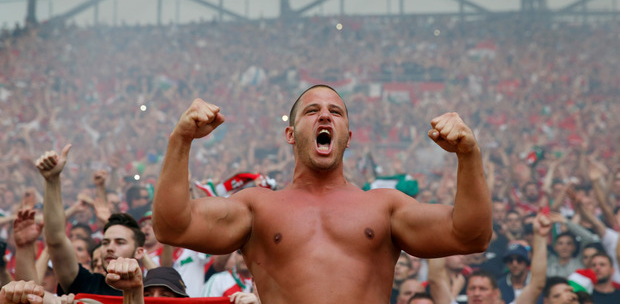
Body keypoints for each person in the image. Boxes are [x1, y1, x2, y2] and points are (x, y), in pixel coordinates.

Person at [153, 85, 493, 303]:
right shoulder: (256, 207)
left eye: (336, 112)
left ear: (348, 135)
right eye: (312, 111)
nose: (325, 115)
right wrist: (180, 139)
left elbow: (471, 236)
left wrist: (469, 154)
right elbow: (173, 228)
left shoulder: (385, 207)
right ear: (290, 133)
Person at [36, 143, 146, 296]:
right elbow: (55, 240)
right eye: (105, 242)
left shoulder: (152, 291)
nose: (109, 248)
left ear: (139, 252)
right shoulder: (86, 283)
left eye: (120, 242)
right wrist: (52, 181)